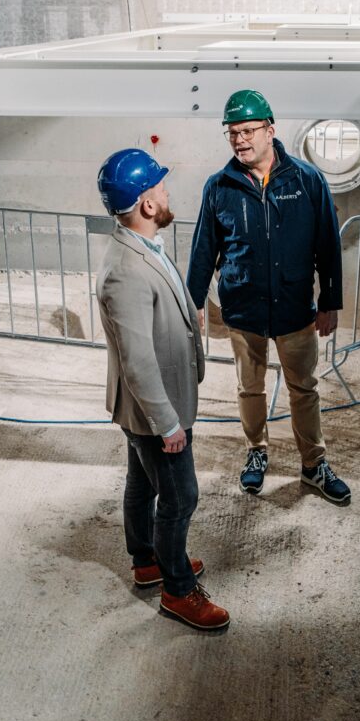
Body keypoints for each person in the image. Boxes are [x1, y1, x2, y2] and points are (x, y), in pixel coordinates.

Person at [187, 90, 351, 505]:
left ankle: (314, 465)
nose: (240, 140)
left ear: (270, 130)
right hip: (243, 309)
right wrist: (193, 302)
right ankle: (256, 454)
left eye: (247, 131)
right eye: (232, 133)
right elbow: (204, 249)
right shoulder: (219, 186)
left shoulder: (306, 180)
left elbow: (327, 244)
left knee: (304, 388)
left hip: (295, 308)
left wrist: (330, 300)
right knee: (250, 389)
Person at [96, 148, 230, 632]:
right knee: (179, 498)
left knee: (141, 485)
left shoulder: (144, 246)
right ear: (147, 205)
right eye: (160, 187)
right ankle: (177, 590)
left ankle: (147, 560)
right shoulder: (124, 273)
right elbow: (137, 359)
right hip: (155, 410)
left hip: (152, 408)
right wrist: (167, 423)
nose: (167, 192)